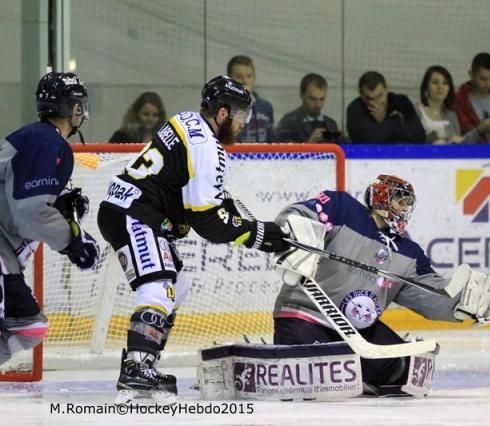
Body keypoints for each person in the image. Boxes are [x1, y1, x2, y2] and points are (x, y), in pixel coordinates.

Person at [97, 75, 290, 404]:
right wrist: (257, 234)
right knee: (159, 284)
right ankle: (136, 369)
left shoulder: (186, 119)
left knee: (178, 284)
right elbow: (206, 222)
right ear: (223, 113)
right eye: (241, 115)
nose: (243, 123)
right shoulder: (208, 148)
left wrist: (227, 215)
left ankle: (144, 365)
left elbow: (188, 193)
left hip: (127, 208)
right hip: (135, 213)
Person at [272, 175, 490, 392]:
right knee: (305, 378)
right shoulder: (343, 207)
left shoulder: (409, 252)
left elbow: (430, 294)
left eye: (408, 204)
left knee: (403, 373)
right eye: (400, 200)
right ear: (381, 199)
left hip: (359, 332)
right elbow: (296, 215)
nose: (404, 208)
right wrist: (296, 238)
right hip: (306, 315)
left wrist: (463, 304)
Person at [0, 72, 99, 367]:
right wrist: (72, 240)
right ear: (74, 108)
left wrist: (58, 208)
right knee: (25, 325)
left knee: (27, 326)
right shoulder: (45, 141)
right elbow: (30, 213)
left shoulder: (38, 138)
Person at [346, 71, 425, 143]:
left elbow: (419, 137)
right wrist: (394, 120)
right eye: (370, 99)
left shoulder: (401, 102)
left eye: (380, 95)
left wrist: (382, 125)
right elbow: (368, 142)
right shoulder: (355, 109)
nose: (377, 102)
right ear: (361, 95)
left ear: (386, 89)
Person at [454, 52, 490, 144]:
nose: (488, 84)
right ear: (471, 74)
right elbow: (455, 139)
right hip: (473, 156)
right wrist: (479, 131)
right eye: (483, 79)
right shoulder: (459, 101)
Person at [274, 73, 340, 143]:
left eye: (322, 99)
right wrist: (309, 145)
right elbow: (283, 152)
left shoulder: (331, 124)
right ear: (302, 95)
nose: (318, 105)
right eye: (313, 99)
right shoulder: (289, 123)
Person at [416, 66, 471, 144]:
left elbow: (458, 143)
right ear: (426, 87)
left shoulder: (452, 115)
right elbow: (412, 141)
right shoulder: (416, 111)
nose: (440, 87)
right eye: (435, 82)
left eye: (445, 83)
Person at [227, 55, 274, 142]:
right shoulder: (223, 107)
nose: (245, 81)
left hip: (261, 155)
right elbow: (229, 139)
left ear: (254, 77)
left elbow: (271, 140)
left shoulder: (266, 107)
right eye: (238, 77)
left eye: (249, 76)